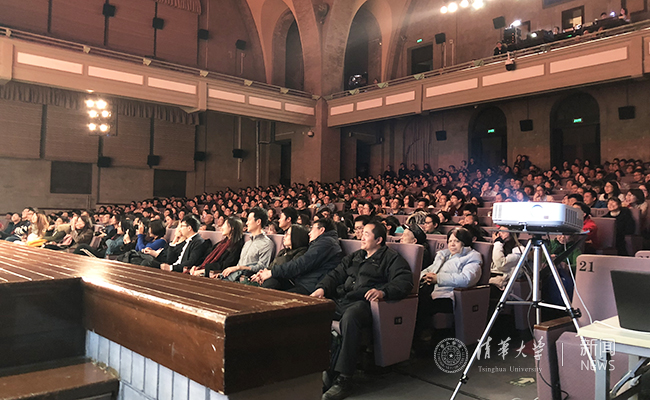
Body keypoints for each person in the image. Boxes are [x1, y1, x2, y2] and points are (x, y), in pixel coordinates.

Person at [313, 221, 412, 400]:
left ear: (379, 240)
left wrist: (383, 291)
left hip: (364, 304)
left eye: (366, 234)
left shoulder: (391, 258)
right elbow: (335, 274)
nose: (362, 237)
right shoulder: (356, 256)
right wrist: (322, 288)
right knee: (317, 311)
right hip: (344, 299)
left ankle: (344, 379)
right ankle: (322, 370)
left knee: (350, 317)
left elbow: (404, 282)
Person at [416, 228, 482, 340]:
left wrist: (438, 278)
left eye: (456, 241)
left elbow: (467, 279)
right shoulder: (444, 255)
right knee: (413, 300)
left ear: (464, 242)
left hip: (451, 295)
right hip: (433, 290)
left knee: (422, 304)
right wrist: (423, 276)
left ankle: (422, 339)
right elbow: (430, 269)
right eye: (450, 241)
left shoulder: (472, 257)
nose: (452, 244)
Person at [252, 219, 342, 294]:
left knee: (276, 295)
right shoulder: (323, 243)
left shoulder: (326, 243)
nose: (309, 233)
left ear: (321, 230)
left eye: (312, 229)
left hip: (311, 287)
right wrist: (266, 273)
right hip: (303, 282)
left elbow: (302, 263)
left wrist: (272, 272)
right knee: (271, 282)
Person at [220, 207, 275, 281]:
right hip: (235, 276)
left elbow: (262, 267)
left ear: (258, 222)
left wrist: (239, 268)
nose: (246, 223)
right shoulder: (247, 243)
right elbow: (239, 264)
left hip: (246, 278)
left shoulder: (266, 244)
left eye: (249, 220)